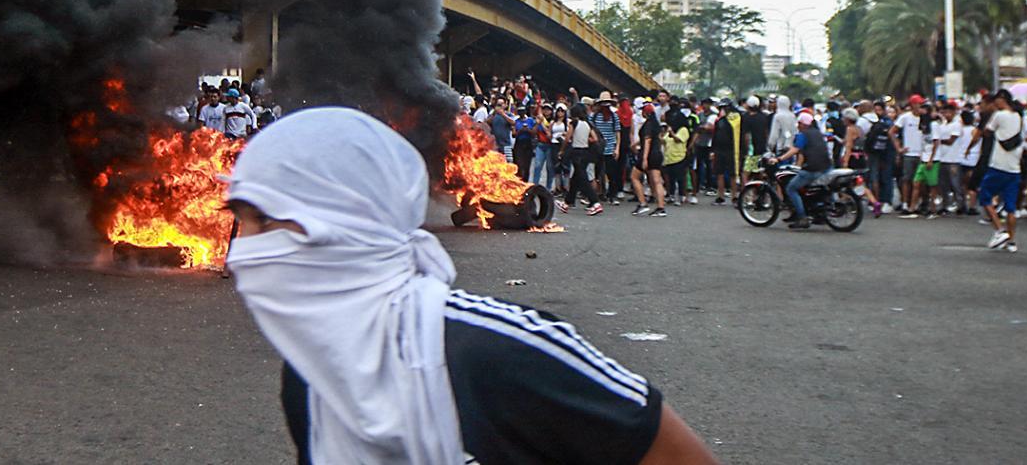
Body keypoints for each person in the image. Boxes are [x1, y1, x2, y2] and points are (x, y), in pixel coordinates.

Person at [224, 108, 716, 464]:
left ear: (350, 219)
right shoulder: (307, 378)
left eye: (267, 223)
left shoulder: (505, 351)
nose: (243, 251)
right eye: (241, 223)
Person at [978, 91, 1024, 252]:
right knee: (1011, 207)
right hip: (1014, 167)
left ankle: (999, 230)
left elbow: (987, 131)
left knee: (985, 196)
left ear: (1001, 100)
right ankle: (1011, 241)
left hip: (998, 165)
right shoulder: (1018, 116)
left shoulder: (999, 115)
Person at [774, 111, 831, 231]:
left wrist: (779, 158)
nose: (798, 126)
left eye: (799, 123)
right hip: (826, 167)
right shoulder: (818, 133)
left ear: (803, 124)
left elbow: (795, 150)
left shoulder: (803, 135)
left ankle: (802, 217)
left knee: (791, 188)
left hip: (813, 168)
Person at [558, 106, 603, 216]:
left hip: (576, 152)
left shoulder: (574, 123)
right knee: (576, 178)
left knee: (582, 178)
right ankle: (567, 202)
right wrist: (584, 138)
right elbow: (595, 139)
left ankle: (595, 202)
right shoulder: (588, 124)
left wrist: (562, 150)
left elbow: (568, 138)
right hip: (586, 152)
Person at [632, 102, 666, 217]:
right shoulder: (656, 124)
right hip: (657, 154)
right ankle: (661, 207)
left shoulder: (647, 124)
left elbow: (647, 140)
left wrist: (644, 158)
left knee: (634, 177)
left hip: (648, 154)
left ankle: (642, 203)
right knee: (656, 181)